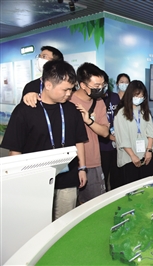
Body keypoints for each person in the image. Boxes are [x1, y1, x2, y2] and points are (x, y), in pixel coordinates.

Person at [1, 60, 88, 220]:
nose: (69, 93)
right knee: (37, 225)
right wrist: (18, 180)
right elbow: (15, 150)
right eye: (66, 89)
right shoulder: (24, 111)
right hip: (35, 181)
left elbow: (79, 141)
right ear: (48, 85)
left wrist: (82, 168)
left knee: (64, 223)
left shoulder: (71, 110)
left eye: (71, 89)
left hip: (67, 179)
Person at [70, 62, 109, 203]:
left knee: (94, 204)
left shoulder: (99, 103)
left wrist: (89, 121)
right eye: (96, 86)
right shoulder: (68, 100)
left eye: (102, 85)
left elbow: (105, 132)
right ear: (83, 85)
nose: (101, 89)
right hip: (70, 163)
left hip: (92, 161)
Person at [114, 80, 153, 184]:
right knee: (131, 189)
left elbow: (151, 132)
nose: (139, 98)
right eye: (136, 95)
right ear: (130, 95)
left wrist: (149, 150)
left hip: (146, 156)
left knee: (147, 186)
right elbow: (122, 138)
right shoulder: (121, 113)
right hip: (129, 158)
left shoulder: (144, 111)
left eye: (141, 96)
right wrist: (132, 155)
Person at [98, 73, 130, 191]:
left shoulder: (115, 97)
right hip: (103, 143)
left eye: (104, 83)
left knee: (117, 174)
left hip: (117, 142)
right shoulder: (97, 99)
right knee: (104, 174)